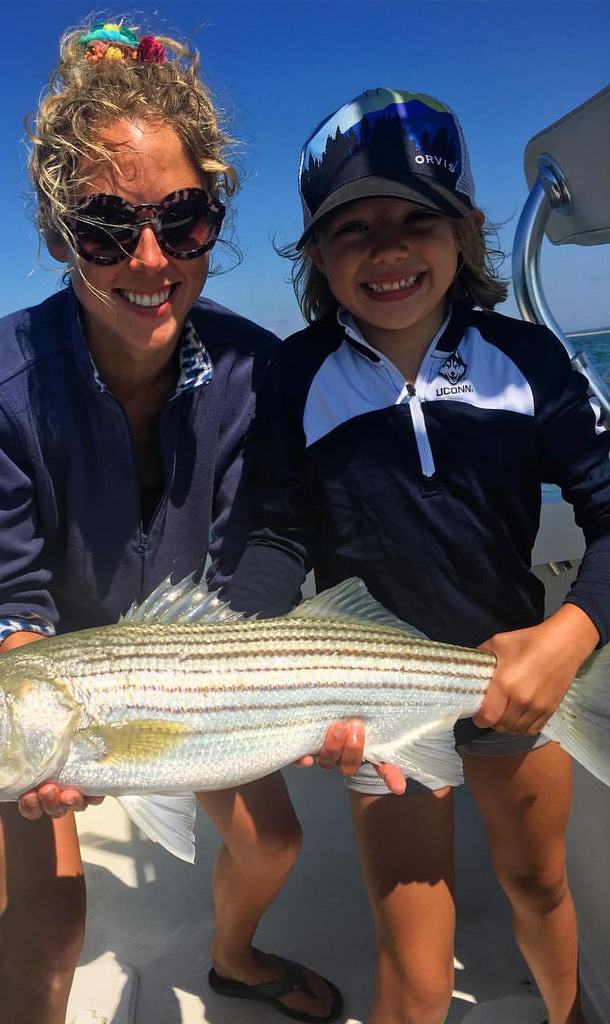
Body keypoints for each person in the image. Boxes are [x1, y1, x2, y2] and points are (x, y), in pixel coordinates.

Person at [0, 18, 343, 1024]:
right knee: (49, 921)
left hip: (175, 663)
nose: (149, 259)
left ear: (215, 217)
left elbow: (259, 546)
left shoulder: (260, 370)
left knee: (272, 841)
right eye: (107, 229)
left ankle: (233, 957)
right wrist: (43, 722)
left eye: (183, 220)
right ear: (56, 235)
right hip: (33, 673)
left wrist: (277, 674)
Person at [227, 88, 610, 1024]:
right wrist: (242, 656)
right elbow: (275, 533)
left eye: (416, 219)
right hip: (369, 696)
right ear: (316, 254)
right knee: (412, 946)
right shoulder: (293, 377)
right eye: (352, 228)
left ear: (466, 230)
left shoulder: (527, 361)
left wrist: (568, 636)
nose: (388, 248)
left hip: (521, 675)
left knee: (540, 885)